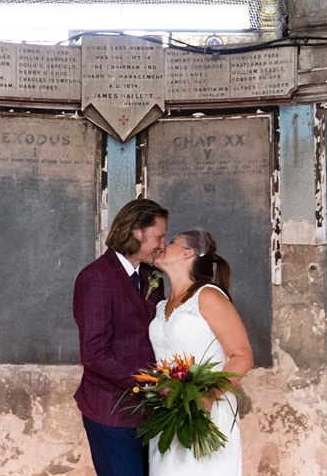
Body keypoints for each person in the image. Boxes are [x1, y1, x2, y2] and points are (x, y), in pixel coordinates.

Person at [75, 198, 170, 476]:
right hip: (111, 413)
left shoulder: (152, 275)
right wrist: (151, 382)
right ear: (137, 232)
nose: (163, 245)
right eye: (159, 237)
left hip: (149, 412)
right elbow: (94, 354)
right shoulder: (96, 277)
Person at [146, 230, 252, 476]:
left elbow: (242, 356)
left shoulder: (208, 296)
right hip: (169, 410)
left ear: (188, 253)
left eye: (172, 242)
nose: (163, 245)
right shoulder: (161, 305)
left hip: (207, 410)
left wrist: (208, 396)